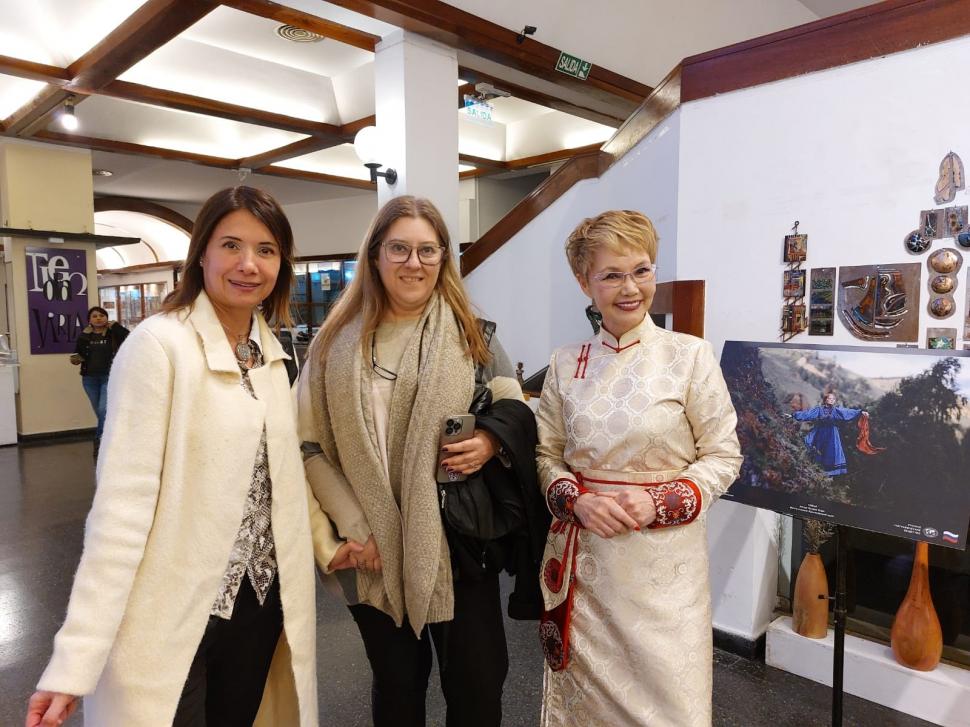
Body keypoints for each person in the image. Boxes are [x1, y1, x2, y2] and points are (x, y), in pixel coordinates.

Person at [25, 186, 360, 727]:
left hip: (260, 600)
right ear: (201, 253)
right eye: (231, 245)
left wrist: (326, 544)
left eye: (266, 250)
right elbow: (121, 510)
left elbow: (282, 477)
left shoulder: (269, 355)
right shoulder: (159, 346)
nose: (248, 264)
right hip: (176, 607)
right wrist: (74, 661)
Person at [299, 195, 525, 727]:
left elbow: (514, 409)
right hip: (372, 550)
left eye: (428, 250)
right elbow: (308, 445)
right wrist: (359, 528)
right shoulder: (333, 344)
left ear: (444, 257)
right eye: (399, 248)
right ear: (375, 255)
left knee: (476, 686)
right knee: (397, 687)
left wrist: (490, 440)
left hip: (459, 543)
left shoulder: (474, 334)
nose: (413, 262)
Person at [535, 210, 742, 727]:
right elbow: (547, 455)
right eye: (611, 275)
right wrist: (576, 499)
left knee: (671, 705)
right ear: (584, 283)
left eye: (642, 270)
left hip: (664, 574)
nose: (630, 288)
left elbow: (724, 456)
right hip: (589, 573)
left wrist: (658, 500)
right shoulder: (565, 363)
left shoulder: (690, 357)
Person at [70, 306, 129, 454]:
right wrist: (76, 358)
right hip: (89, 379)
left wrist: (116, 326)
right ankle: (113, 437)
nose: (98, 318)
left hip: (108, 377)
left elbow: (130, 338)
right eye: (95, 316)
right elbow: (78, 353)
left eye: (102, 315)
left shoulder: (113, 333)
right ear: (89, 320)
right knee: (101, 412)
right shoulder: (85, 335)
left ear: (106, 318)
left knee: (104, 409)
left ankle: (99, 441)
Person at [791, 391, 876, 475]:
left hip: (831, 435)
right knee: (815, 450)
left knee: (830, 452)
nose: (832, 400)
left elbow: (847, 412)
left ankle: (825, 475)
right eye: (830, 398)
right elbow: (808, 414)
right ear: (825, 400)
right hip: (820, 432)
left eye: (833, 399)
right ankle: (812, 471)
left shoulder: (836, 411)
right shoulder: (819, 409)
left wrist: (861, 412)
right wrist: (793, 415)